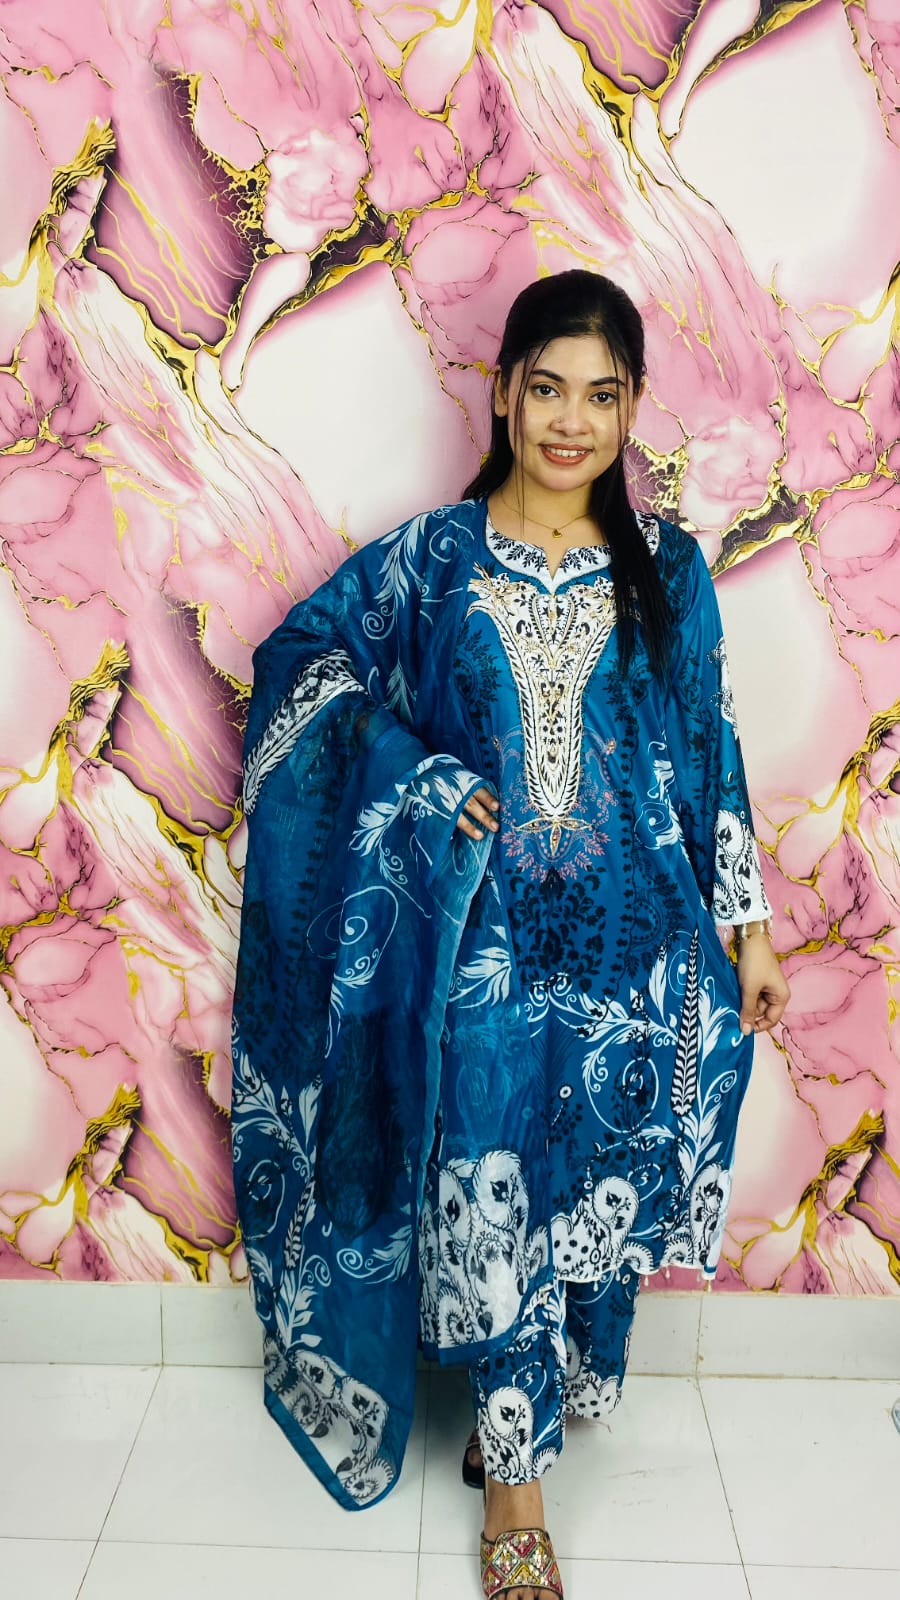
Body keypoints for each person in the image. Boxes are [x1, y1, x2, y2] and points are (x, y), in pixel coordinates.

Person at [232, 269, 790, 1600]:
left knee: (596, 1184)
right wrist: (421, 782)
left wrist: (749, 927)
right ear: (502, 392)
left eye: (602, 395)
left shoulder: (670, 572)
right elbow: (301, 666)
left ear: (633, 409)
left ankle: (542, 1397)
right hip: (480, 963)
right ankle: (517, 1487)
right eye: (548, 388)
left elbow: (710, 746)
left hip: (637, 955)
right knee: (491, 1184)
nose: (571, 422)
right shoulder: (433, 563)